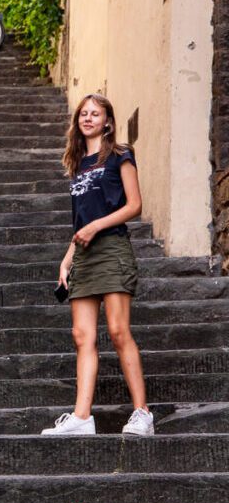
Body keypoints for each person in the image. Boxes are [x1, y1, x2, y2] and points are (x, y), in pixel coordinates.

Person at [42, 94, 153, 437]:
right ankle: (81, 417)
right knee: (81, 335)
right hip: (84, 255)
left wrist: (95, 227)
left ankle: (142, 413)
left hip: (112, 249)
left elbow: (134, 205)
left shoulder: (120, 155)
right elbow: (81, 221)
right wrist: (67, 259)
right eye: (83, 114)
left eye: (95, 113)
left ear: (107, 121)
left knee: (119, 331)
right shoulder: (77, 164)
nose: (88, 118)